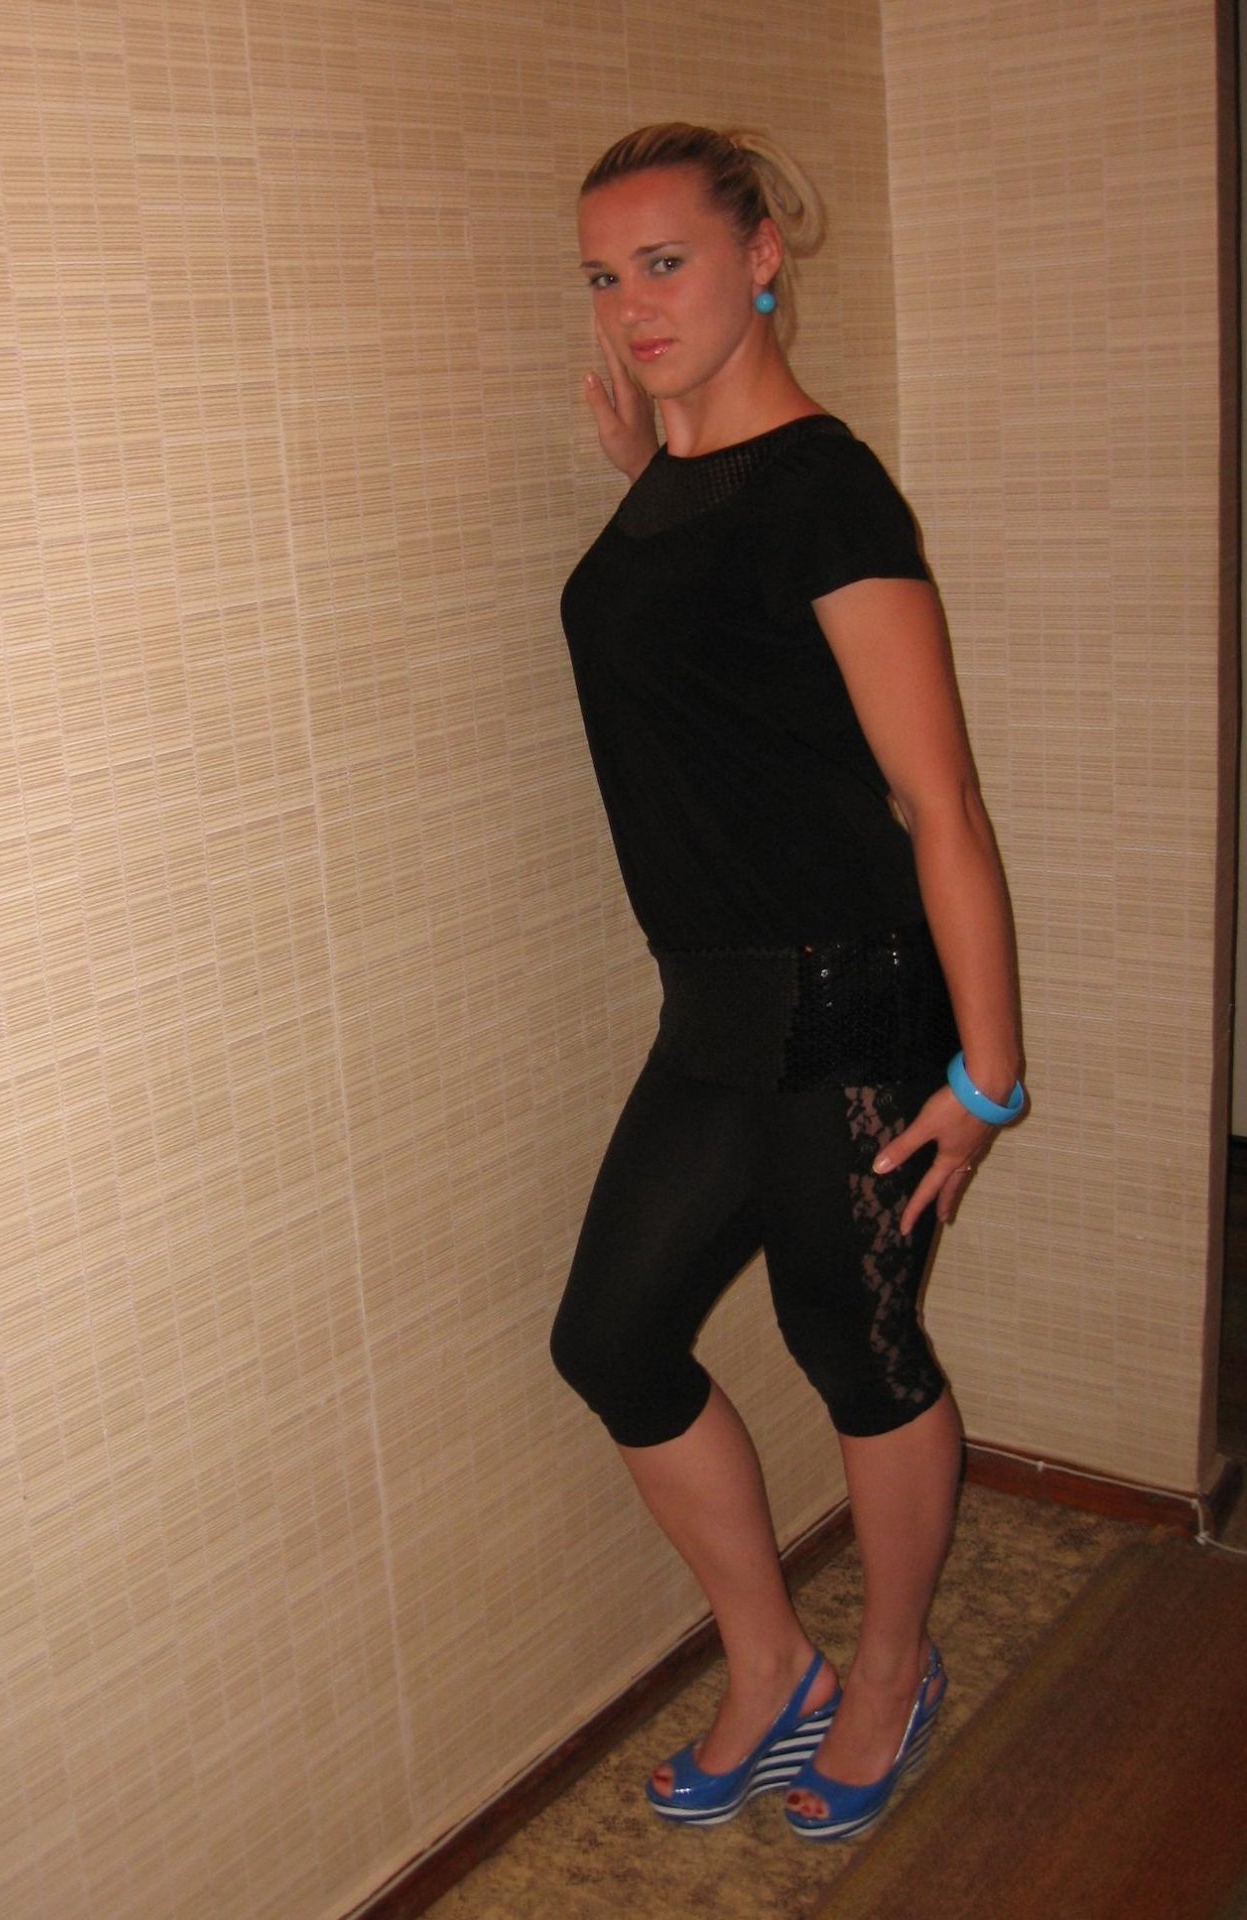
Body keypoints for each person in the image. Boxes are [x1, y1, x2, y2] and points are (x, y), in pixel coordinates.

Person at [549, 122, 1024, 1843]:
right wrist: (653, 458)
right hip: (717, 1007)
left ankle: (890, 1671)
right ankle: (774, 1666)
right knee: (611, 1340)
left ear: (762, 258)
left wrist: (989, 1073)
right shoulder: (681, 484)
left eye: (666, 262)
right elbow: (718, 673)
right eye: (605, 276)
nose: (631, 305)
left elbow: (937, 799)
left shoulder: (829, 488)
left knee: (855, 1348)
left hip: (858, 1000)